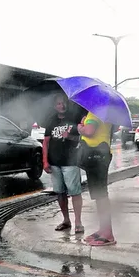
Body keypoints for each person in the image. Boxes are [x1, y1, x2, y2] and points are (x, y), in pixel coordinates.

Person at [43, 94, 83, 234]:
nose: (62, 105)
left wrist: (70, 136)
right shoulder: (51, 121)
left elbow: (82, 137)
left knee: (75, 192)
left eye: (64, 103)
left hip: (71, 162)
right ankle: (66, 220)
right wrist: (45, 161)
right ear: (55, 106)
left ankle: (78, 222)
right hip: (54, 163)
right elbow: (46, 142)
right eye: (59, 104)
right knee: (60, 192)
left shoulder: (74, 118)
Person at [77, 110, 117, 246]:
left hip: (96, 156)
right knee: (99, 195)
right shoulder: (103, 114)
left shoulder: (95, 113)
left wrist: (80, 127)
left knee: (101, 195)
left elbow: (89, 131)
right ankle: (103, 229)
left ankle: (108, 234)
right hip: (99, 155)